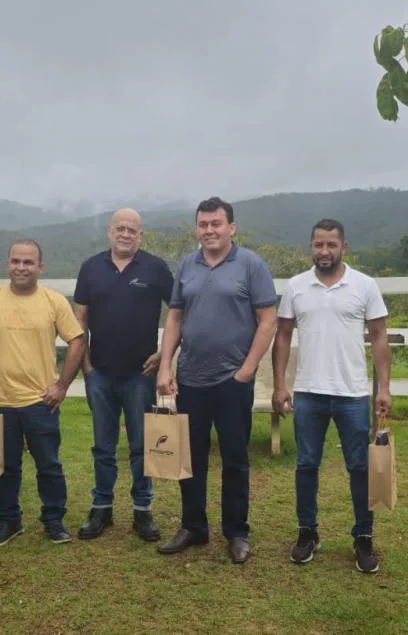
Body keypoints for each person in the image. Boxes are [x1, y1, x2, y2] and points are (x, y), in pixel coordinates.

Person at [155, 196, 277, 564]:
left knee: (235, 458)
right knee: (189, 457)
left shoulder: (251, 265)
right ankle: (193, 527)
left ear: (231, 228)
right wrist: (165, 366)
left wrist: (247, 370)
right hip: (190, 379)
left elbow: (267, 320)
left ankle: (236, 532)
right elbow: (175, 318)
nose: (209, 230)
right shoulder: (187, 265)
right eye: (203, 224)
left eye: (216, 224)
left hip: (232, 380)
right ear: (197, 228)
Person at [271, 218, 392, 574]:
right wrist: (280, 385)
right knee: (306, 465)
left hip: (352, 394)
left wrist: (384, 388)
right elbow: (282, 337)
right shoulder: (296, 286)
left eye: (331, 245)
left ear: (344, 247)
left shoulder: (365, 285)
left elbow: (380, 337)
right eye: (318, 245)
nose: (324, 251)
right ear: (310, 247)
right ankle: (307, 532)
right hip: (308, 392)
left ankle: (363, 536)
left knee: (359, 467)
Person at [0, 239, 85, 548]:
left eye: (28, 262)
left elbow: (77, 340)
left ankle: (54, 520)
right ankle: (9, 521)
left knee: (49, 465)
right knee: (5, 467)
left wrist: (62, 386)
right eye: (16, 261)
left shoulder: (54, 302)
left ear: (40, 267)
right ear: (7, 264)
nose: (21, 267)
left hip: (40, 401)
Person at [73, 208, 174, 542]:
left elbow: (177, 313)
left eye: (133, 230)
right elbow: (79, 319)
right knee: (103, 446)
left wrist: (164, 355)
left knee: (141, 446)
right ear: (110, 231)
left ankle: (143, 510)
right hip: (99, 374)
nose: (126, 234)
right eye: (121, 228)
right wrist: (86, 366)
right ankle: (101, 507)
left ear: (140, 235)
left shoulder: (156, 268)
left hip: (140, 375)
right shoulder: (90, 268)